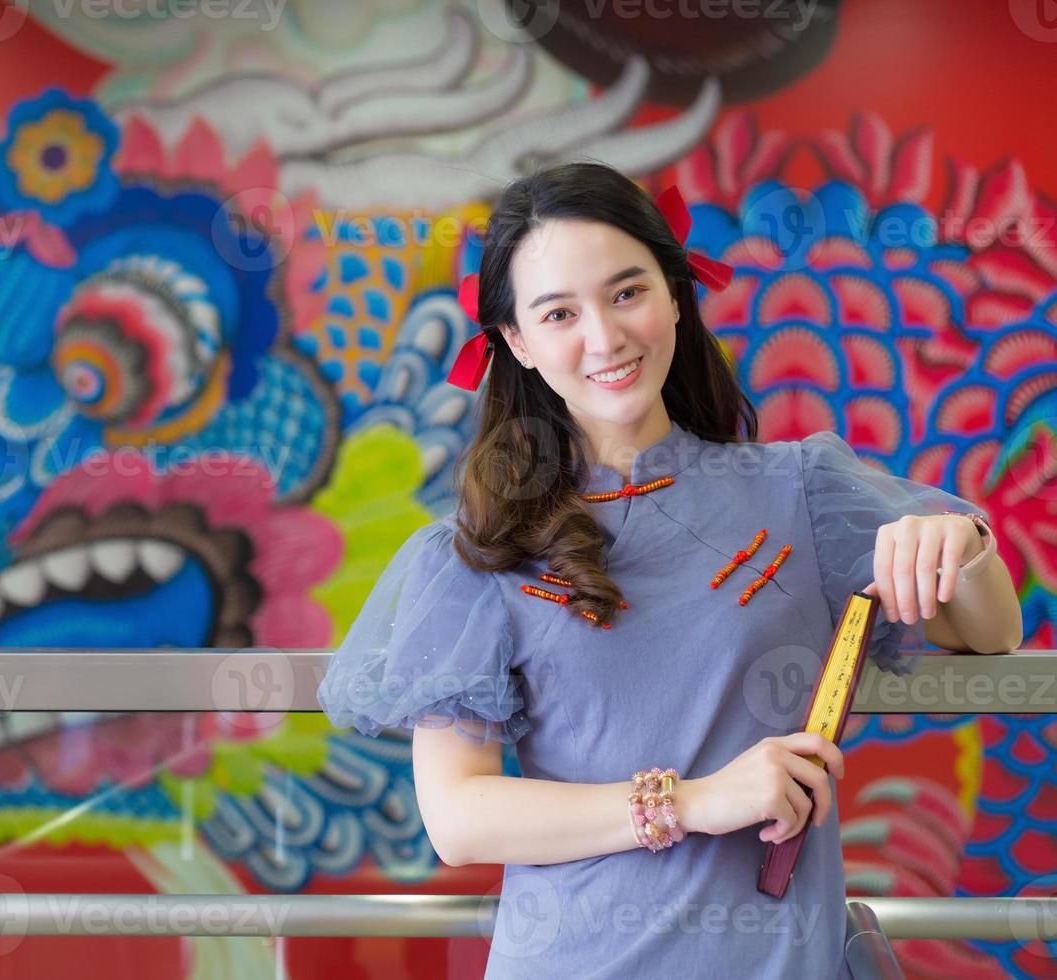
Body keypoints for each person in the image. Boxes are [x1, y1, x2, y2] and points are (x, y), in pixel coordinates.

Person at [315, 162, 1023, 979]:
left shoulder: (801, 489)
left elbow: (993, 630)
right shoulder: (478, 549)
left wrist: (963, 548)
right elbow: (460, 819)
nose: (606, 338)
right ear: (517, 341)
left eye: (627, 292)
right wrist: (693, 801)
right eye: (559, 313)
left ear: (676, 293)